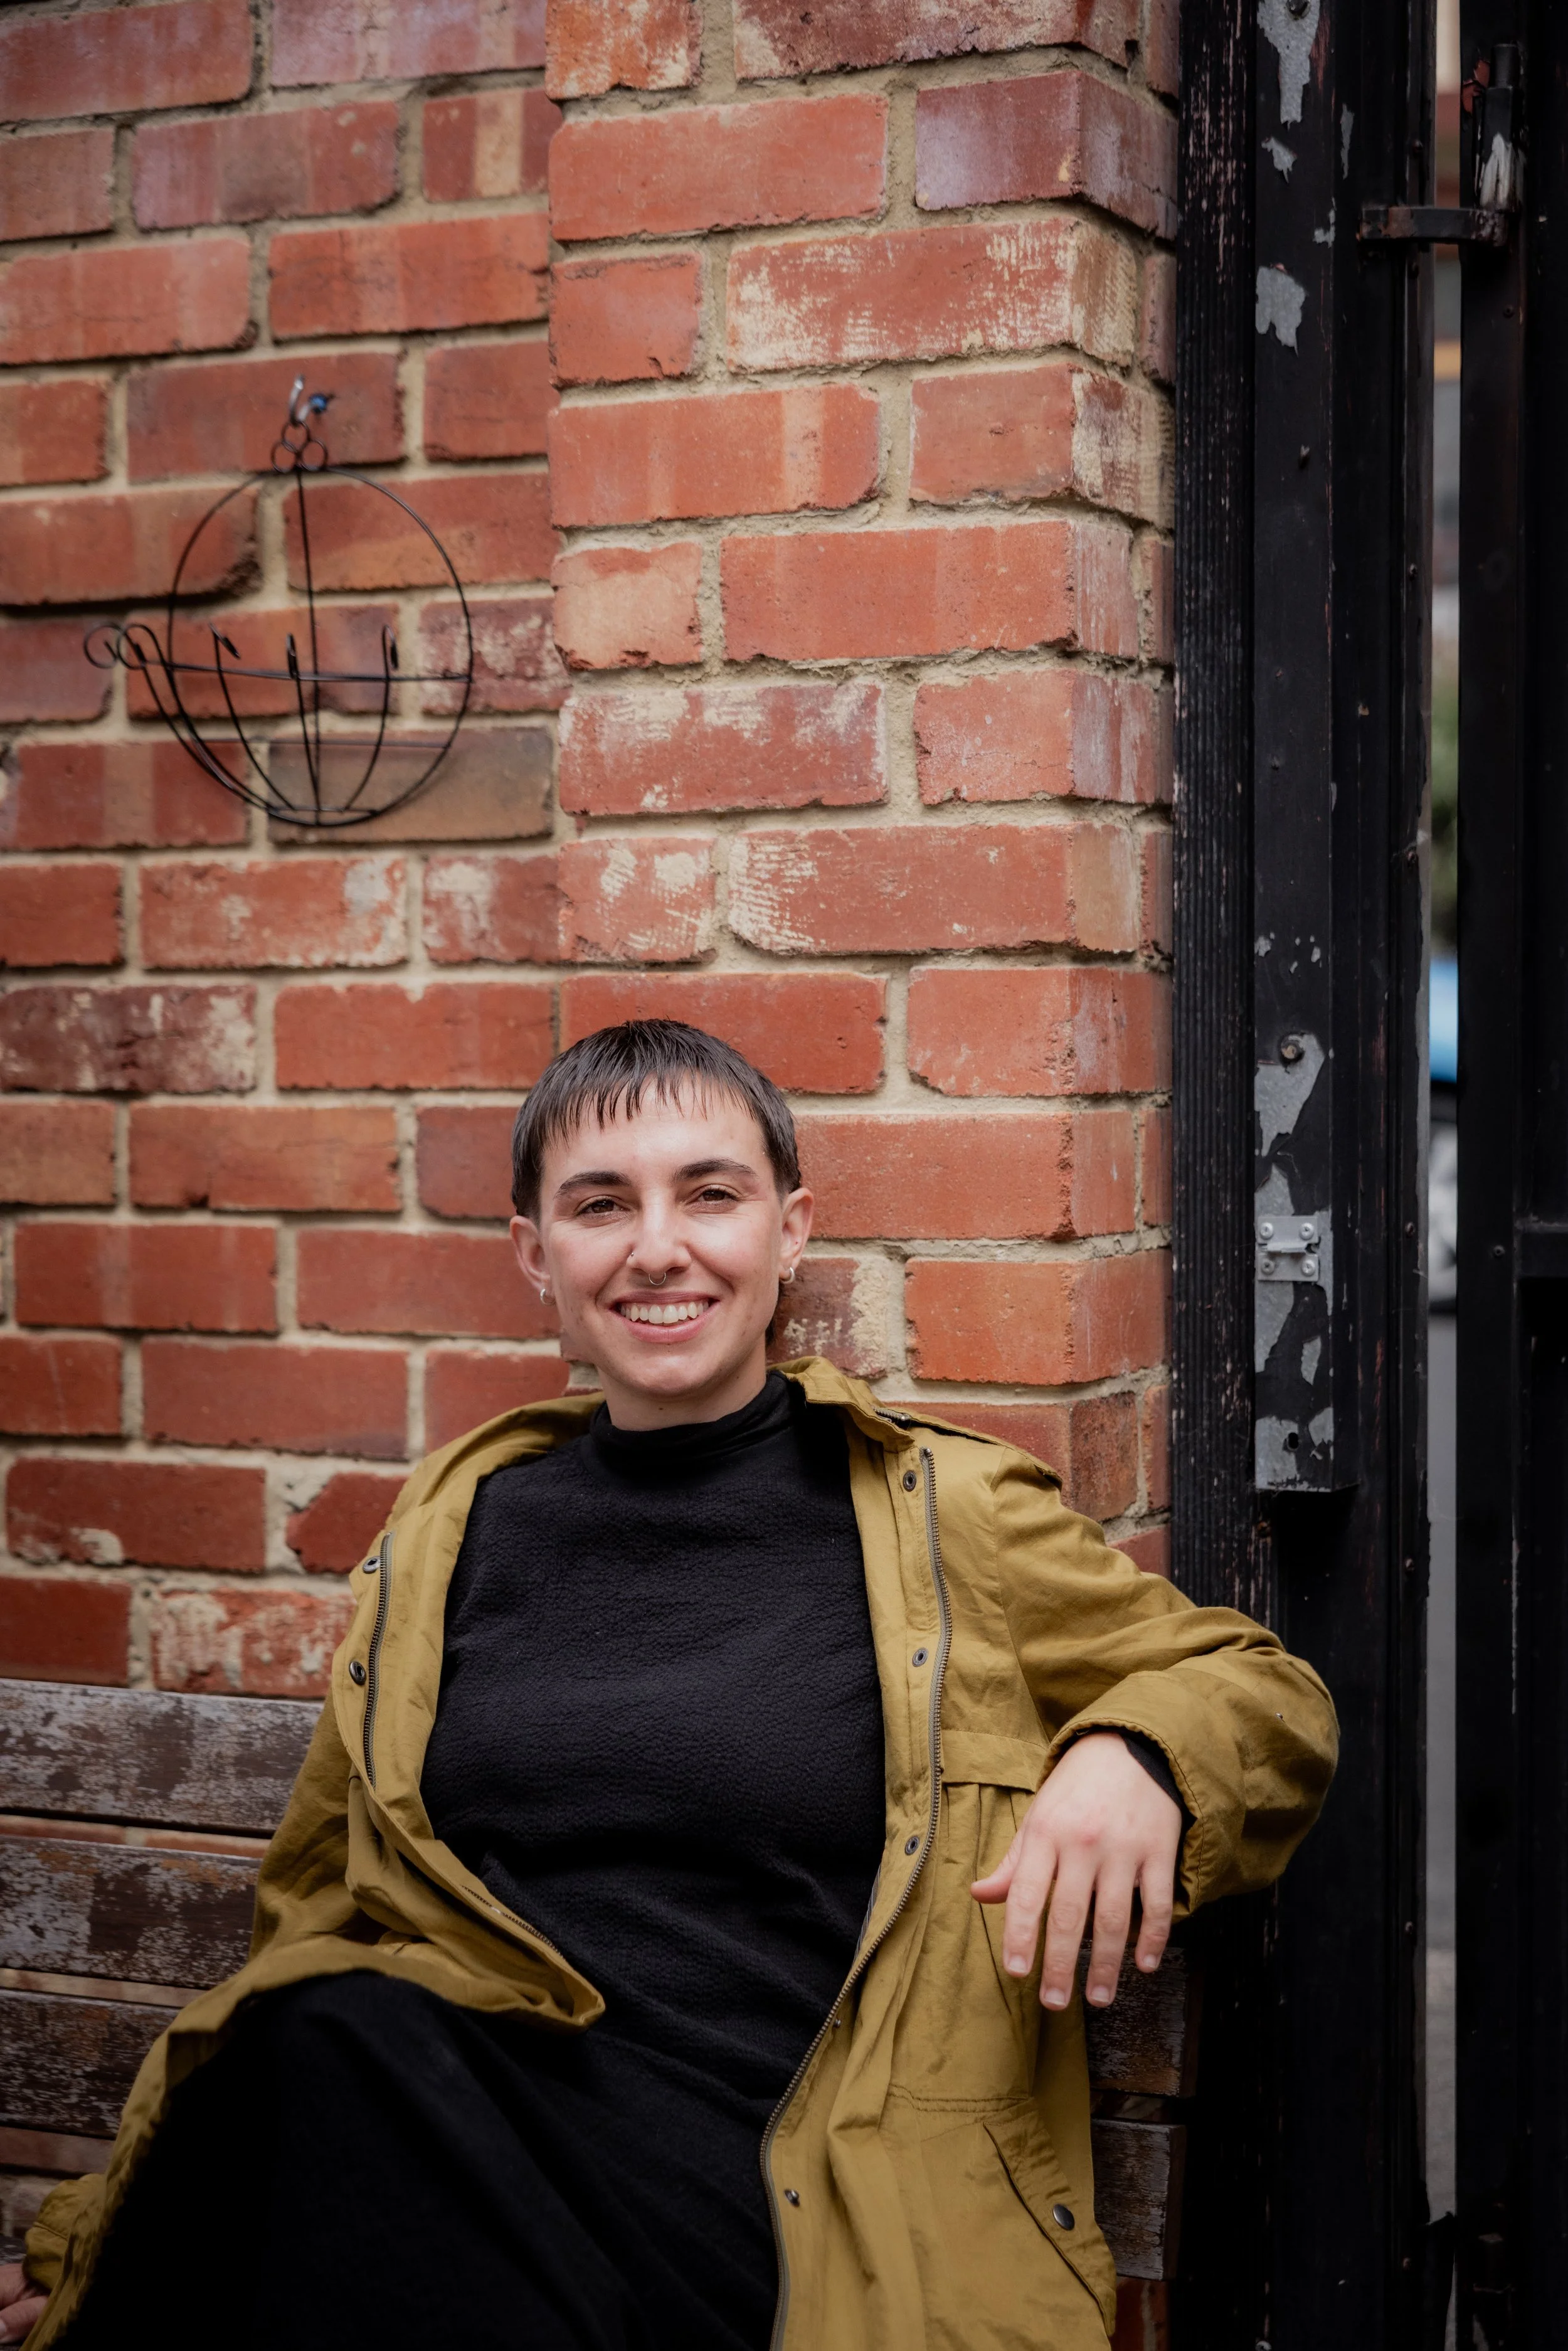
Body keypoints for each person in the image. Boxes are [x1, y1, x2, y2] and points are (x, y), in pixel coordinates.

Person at [1, 1020, 1337, 2351]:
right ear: (535, 1251)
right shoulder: (456, 1530)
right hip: (463, 2140)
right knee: (329, 2043)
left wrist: (1136, 1752)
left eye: (709, 1194)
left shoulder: (939, 1515)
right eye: (600, 1205)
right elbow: (313, 1916)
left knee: (338, 2057)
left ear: (789, 1230)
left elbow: (1264, 1695)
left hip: (788, 2193)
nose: (656, 1247)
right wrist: (93, 2242)